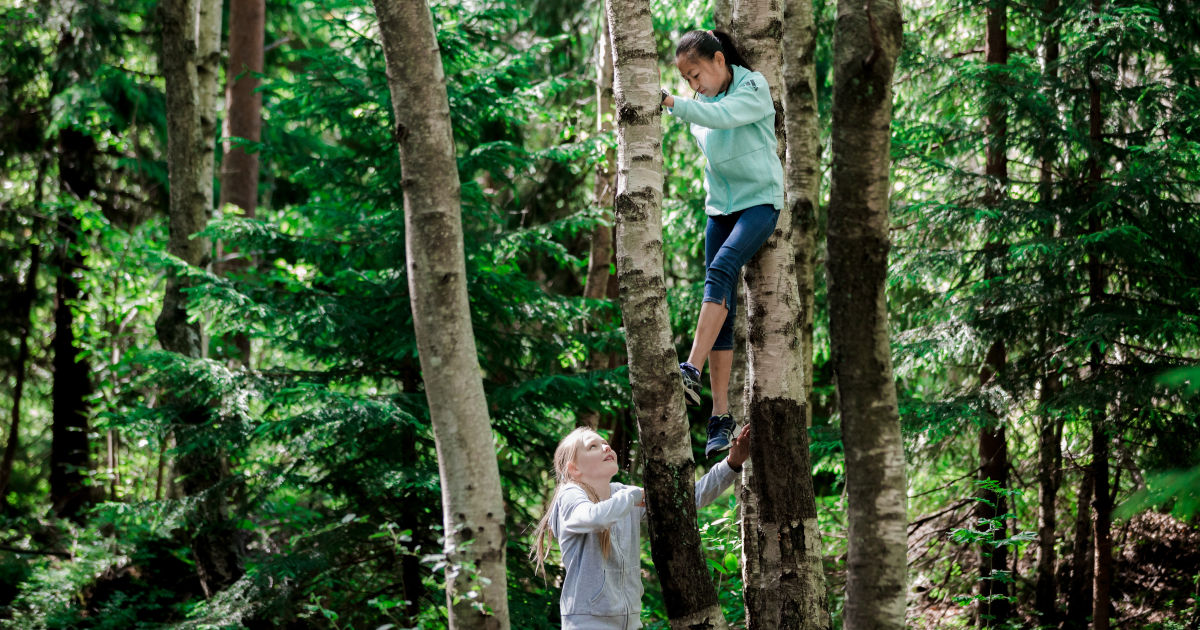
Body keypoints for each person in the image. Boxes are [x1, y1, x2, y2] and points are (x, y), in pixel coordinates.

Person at [660, 30, 784, 458]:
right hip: (720, 210)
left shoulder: (753, 86)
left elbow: (726, 116)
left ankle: (689, 368)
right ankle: (719, 418)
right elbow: (707, 123)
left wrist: (674, 104)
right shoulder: (698, 105)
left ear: (718, 60)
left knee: (721, 269)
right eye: (687, 81)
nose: (694, 86)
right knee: (719, 303)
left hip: (759, 203)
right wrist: (686, 105)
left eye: (696, 74)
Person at [530, 425, 751, 629]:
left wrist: (731, 464)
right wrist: (633, 496)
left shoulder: (621, 493)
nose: (606, 447)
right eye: (593, 446)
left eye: (605, 442)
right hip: (588, 623)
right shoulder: (570, 494)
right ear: (574, 469)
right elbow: (593, 518)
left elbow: (685, 502)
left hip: (630, 623)